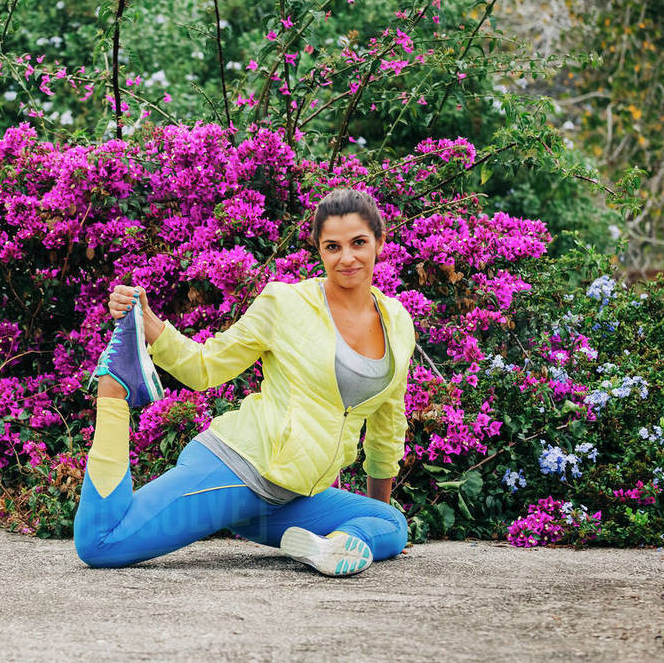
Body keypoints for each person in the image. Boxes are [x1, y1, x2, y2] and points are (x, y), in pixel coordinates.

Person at [73, 188, 414, 576]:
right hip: (237, 471)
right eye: (333, 246)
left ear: (379, 243)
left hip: (290, 499)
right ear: (319, 250)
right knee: (100, 543)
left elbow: (388, 426)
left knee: (390, 524)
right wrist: (150, 326)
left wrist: (373, 512)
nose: (347, 257)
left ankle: (333, 547)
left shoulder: (398, 323)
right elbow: (206, 368)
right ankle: (115, 388)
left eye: (358, 243)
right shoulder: (285, 304)